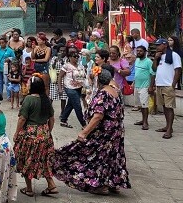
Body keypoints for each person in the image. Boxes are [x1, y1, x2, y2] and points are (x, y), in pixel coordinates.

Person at [53, 66, 131, 195]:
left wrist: (84, 132)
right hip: (115, 131)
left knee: (97, 156)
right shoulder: (115, 90)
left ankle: (100, 185)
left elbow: (98, 116)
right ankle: (112, 182)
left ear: (99, 81)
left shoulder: (103, 94)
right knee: (111, 156)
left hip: (105, 132)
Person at [14, 75, 57, 198]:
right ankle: (51, 185)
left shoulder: (29, 99)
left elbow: (22, 118)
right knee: (44, 159)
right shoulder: (46, 99)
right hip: (44, 133)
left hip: (30, 134)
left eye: (28, 84)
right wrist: (47, 132)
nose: (26, 85)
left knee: (28, 159)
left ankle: (29, 189)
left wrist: (17, 132)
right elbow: (52, 119)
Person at [150, 38, 181, 139]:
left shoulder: (173, 55)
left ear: (165, 45)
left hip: (168, 85)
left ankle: (169, 130)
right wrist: (155, 58)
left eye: (159, 45)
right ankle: (168, 126)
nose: (157, 47)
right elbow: (154, 69)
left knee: (169, 107)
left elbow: (178, 70)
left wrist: (173, 85)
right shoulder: (159, 56)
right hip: (159, 84)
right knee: (164, 107)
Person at [57, 49, 87, 129]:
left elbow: (84, 77)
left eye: (78, 56)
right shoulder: (66, 66)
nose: (76, 58)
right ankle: (84, 125)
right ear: (70, 57)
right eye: (74, 56)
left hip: (79, 88)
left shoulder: (81, 66)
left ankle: (63, 120)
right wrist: (60, 88)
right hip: (69, 88)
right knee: (77, 106)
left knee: (70, 104)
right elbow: (60, 76)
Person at [133, 46, 153, 130]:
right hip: (137, 85)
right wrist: (133, 82)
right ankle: (142, 120)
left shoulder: (148, 62)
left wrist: (151, 86)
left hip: (145, 86)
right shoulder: (137, 60)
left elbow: (152, 74)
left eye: (140, 51)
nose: (138, 52)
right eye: (137, 51)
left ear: (145, 52)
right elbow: (136, 73)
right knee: (140, 104)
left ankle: (145, 122)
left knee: (145, 105)